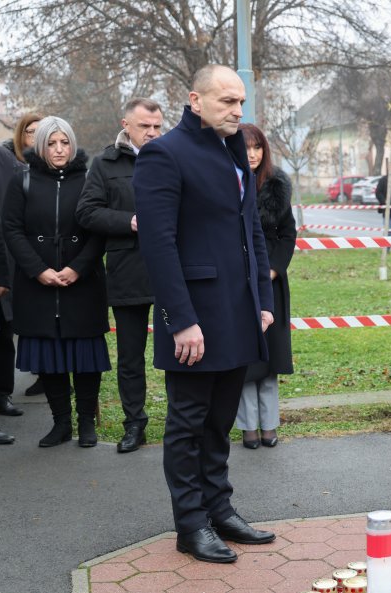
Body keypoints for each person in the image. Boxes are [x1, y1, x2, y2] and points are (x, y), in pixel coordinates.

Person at [133, 64, 276, 563]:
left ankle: (220, 509)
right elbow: (158, 244)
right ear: (196, 100)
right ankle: (191, 524)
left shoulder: (233, 149)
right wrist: (181, 318)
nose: (238, 111)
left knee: (219, 422)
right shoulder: (163, 153)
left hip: (238, 312)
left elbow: (250, 231)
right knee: (188, 423)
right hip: (195, 316)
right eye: (226, 102)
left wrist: (263, 300)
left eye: (241, 102)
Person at [2, 116, 110, 447]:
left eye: (64, 142)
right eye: (51, 143)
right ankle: (61, 423)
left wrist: (78, 267)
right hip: (38, 286)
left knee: (85, 359)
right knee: (51, 360)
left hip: (83, 283)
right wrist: (38, 269)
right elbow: (12, 229)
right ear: (39, 146)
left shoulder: (90, 179)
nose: (59, 149)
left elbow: (97, 228)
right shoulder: (23, 180)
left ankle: (86, 424)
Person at [76, 98, 163, 453]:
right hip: (128, 270)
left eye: (158, 126)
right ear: (125, 124)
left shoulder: (173, 157)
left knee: (184, 351)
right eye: (145, 126)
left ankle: (187, 424)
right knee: (130, 356)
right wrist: (128, 221)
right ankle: (135, 424)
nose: (153, 133)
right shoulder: (105, 163)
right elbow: (87, 212)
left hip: (175, 270)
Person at [236, 123, 295, 449]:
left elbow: (288, 234)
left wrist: (273, 269)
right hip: (237, 285)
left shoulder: (277, 185)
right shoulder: (227, 184)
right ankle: (247, 427)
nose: (253, 154)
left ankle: (269, 425)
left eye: (257, 147)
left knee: (269, 360)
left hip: (271, 284)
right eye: (246, 147)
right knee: (245, 360)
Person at [5, 113, 48, 398]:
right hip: (13, 251)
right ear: (21, 135)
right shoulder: (9, 165)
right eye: (30, 131)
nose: (34, 137)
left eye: (39, 131)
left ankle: (46, 374)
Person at [0, 137, 20, 420]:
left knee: (3, 336)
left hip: (3, 260)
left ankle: (2, 394)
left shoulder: (4, 160)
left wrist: (3, 275)